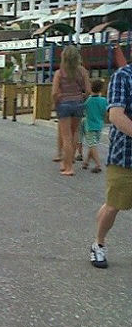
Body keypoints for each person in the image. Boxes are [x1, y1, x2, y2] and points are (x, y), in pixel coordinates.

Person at [90, 61, 132, 269]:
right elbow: (116, 115)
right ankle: (98, 243)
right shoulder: (123, 76)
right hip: (125, 154)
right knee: (114, 204)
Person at [52, 44, 90, 177]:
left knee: (66, 136)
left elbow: (54, 92)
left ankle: (68, 167)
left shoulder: (59, 73)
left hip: (64, 104)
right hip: (78, 103)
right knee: (74, 134)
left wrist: (56, 103)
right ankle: (69, 161)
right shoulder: (82, 71)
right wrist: (81, 97)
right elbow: (88, 90)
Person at [81, 78, 107, 172]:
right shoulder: (104, 100)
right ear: (101, 89)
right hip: (99, 125)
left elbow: (82, 110)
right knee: (93, 145)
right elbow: (105, 113)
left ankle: (98, 164)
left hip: (90, 126)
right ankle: (86, 162)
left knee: (92, 145)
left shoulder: (88, 101)